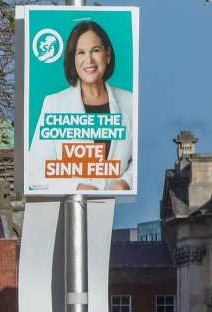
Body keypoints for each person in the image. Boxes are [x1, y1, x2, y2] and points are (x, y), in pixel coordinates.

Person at [28, 20, 134, 193]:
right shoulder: (55, 103)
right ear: (72, 59)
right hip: (71, 207)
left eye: (95, 50)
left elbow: (139, 159)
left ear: (108, 54)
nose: (89, 60)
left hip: (119, 209)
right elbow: (36, 167)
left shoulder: (130, 101)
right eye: (81, 53)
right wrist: (78, 187)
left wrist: (124, 182)